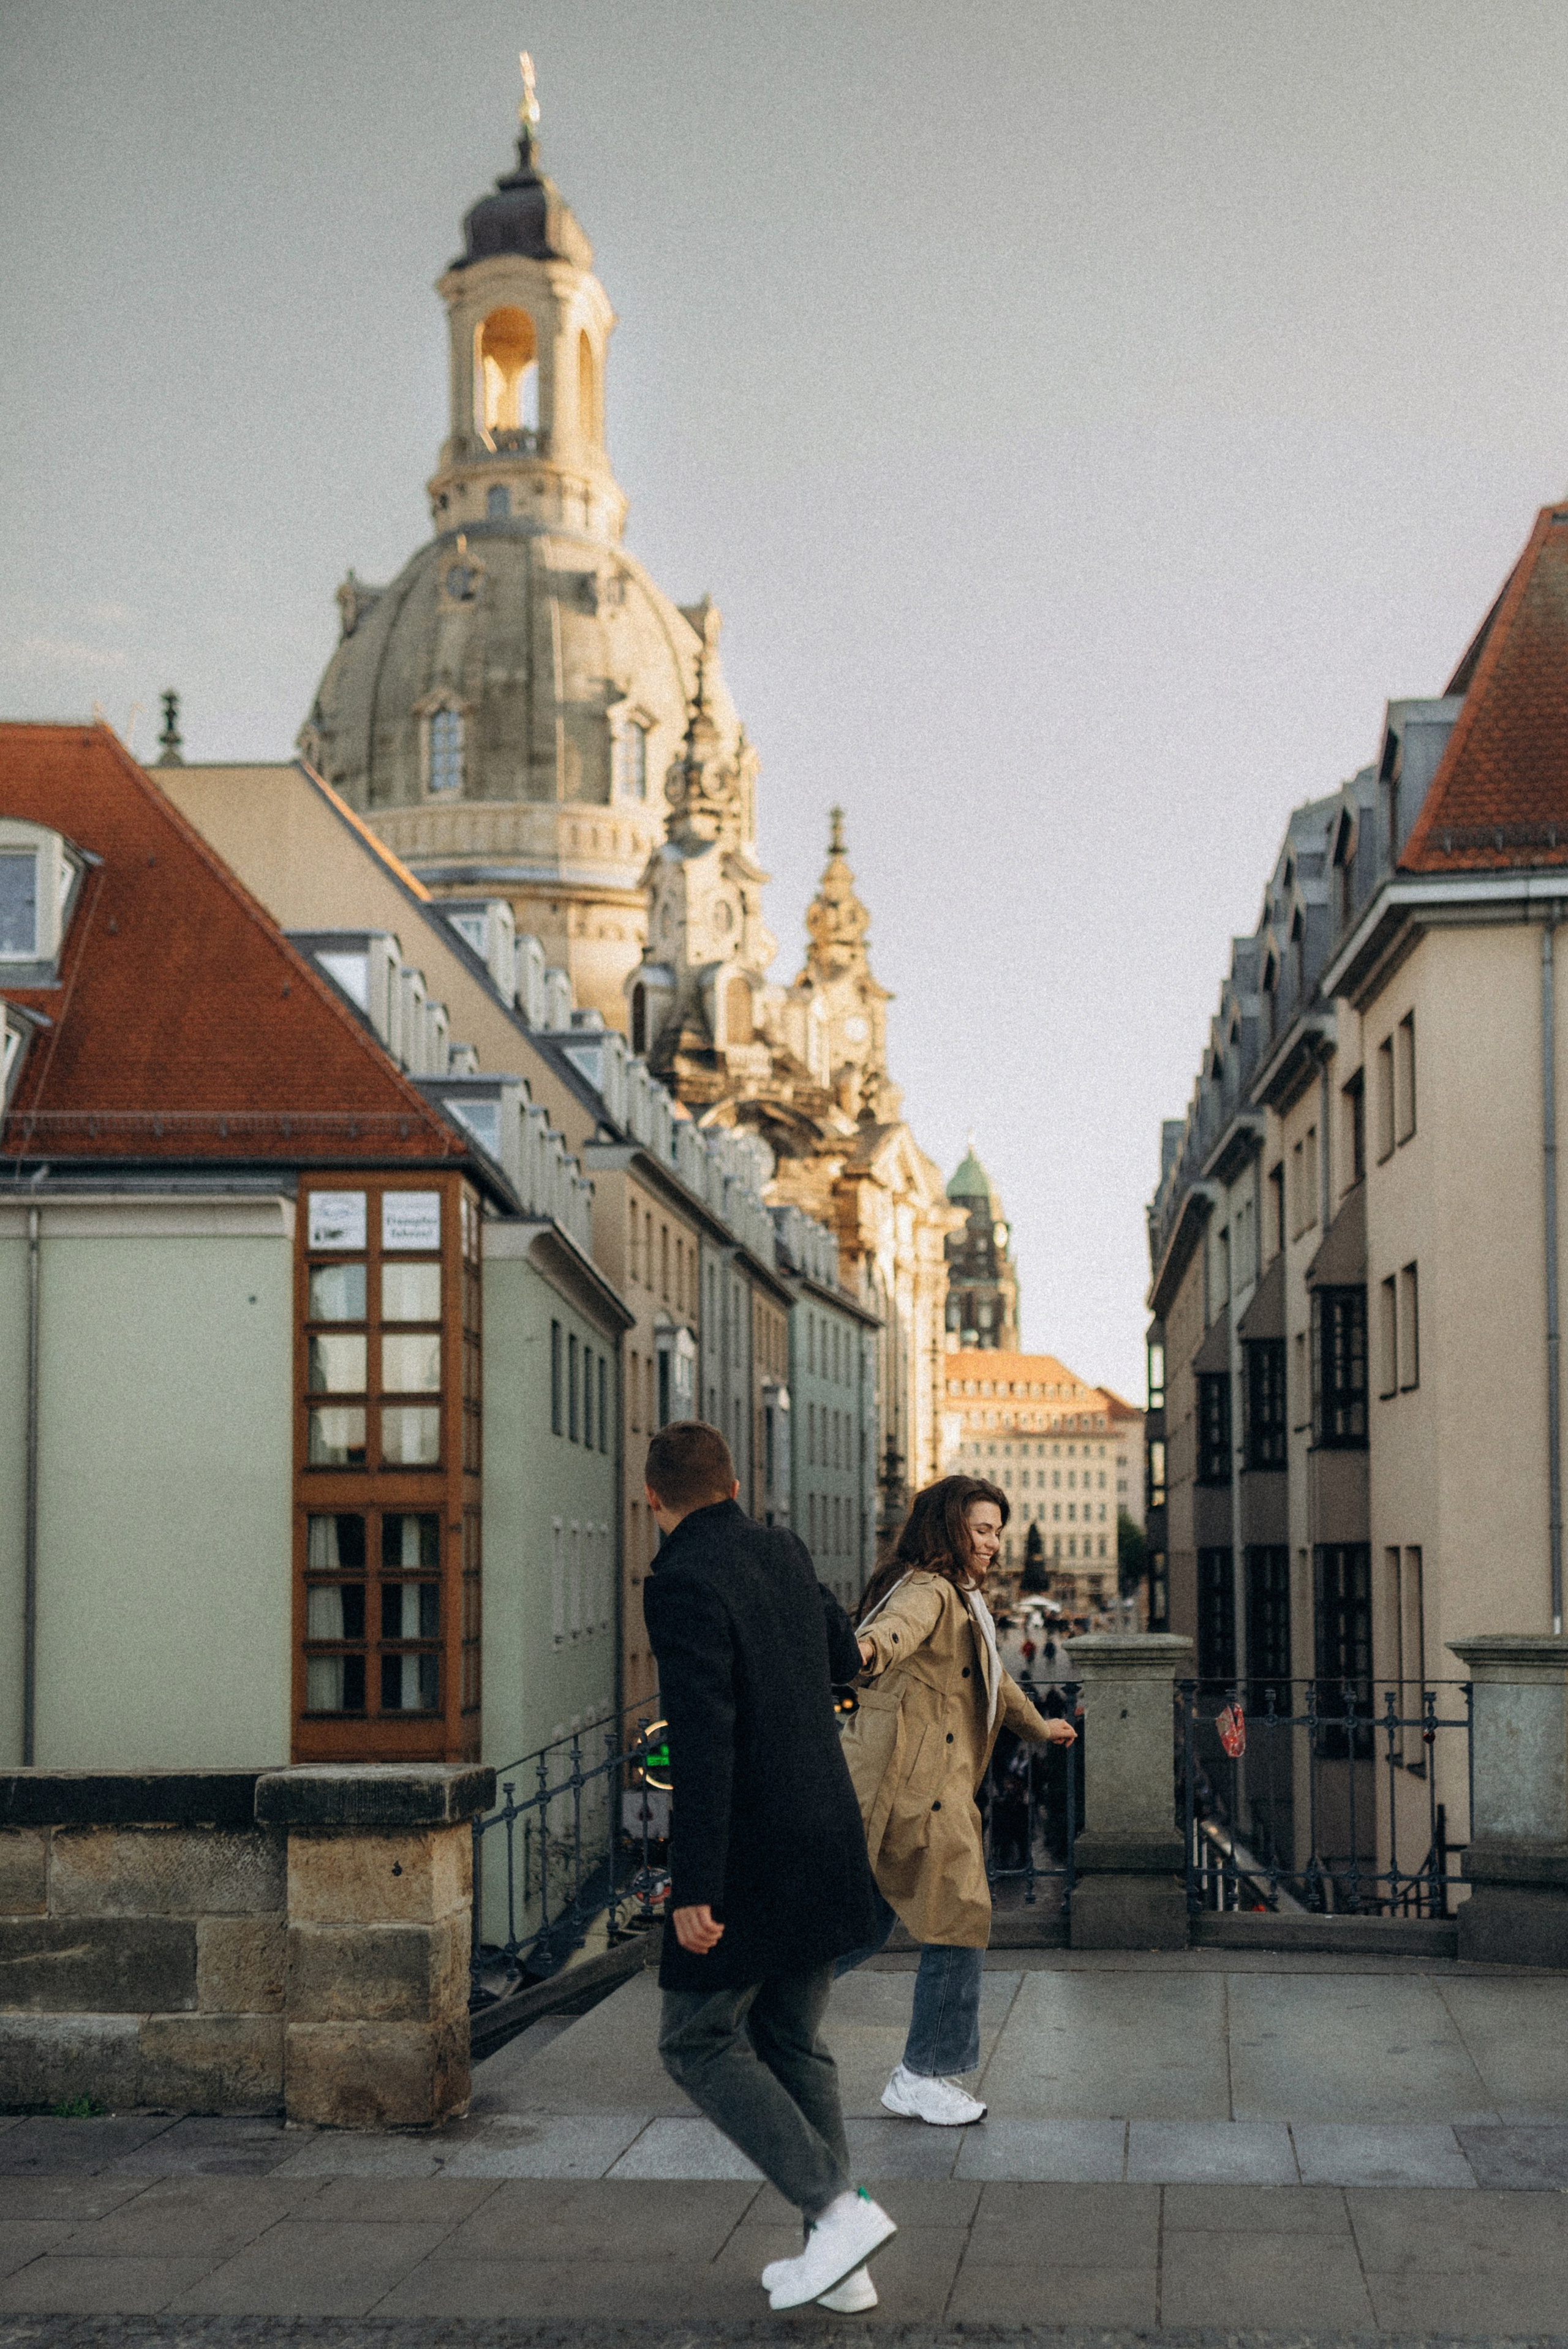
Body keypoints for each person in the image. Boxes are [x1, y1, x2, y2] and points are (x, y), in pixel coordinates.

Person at [641, 1420, 899, 2314]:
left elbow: (703, 1740)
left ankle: (835, 2207)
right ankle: (845, 2263)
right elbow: (844, 1657)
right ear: (736, 1480)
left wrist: (694, 1884)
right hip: (825, 1829)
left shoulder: (679, 1578)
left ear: (654, 1500)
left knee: (696, 2037)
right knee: (791, 2036)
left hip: (749, 1850)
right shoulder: (783, 1547)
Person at [836, 1475, 1077, 2124]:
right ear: (949, 1528)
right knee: (960, 1916)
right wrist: (857, 1650)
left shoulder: (961, 1593)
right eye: (982, 1529)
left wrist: (1040, 1726)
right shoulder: (928, 1591)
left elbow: (993, 1681)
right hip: (919, 1790)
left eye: (998, 1530)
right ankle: (925, 2073)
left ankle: (748, 2010)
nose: (994, 1543)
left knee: (861, 1924)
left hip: (911, 1783)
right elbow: (888, 1637)